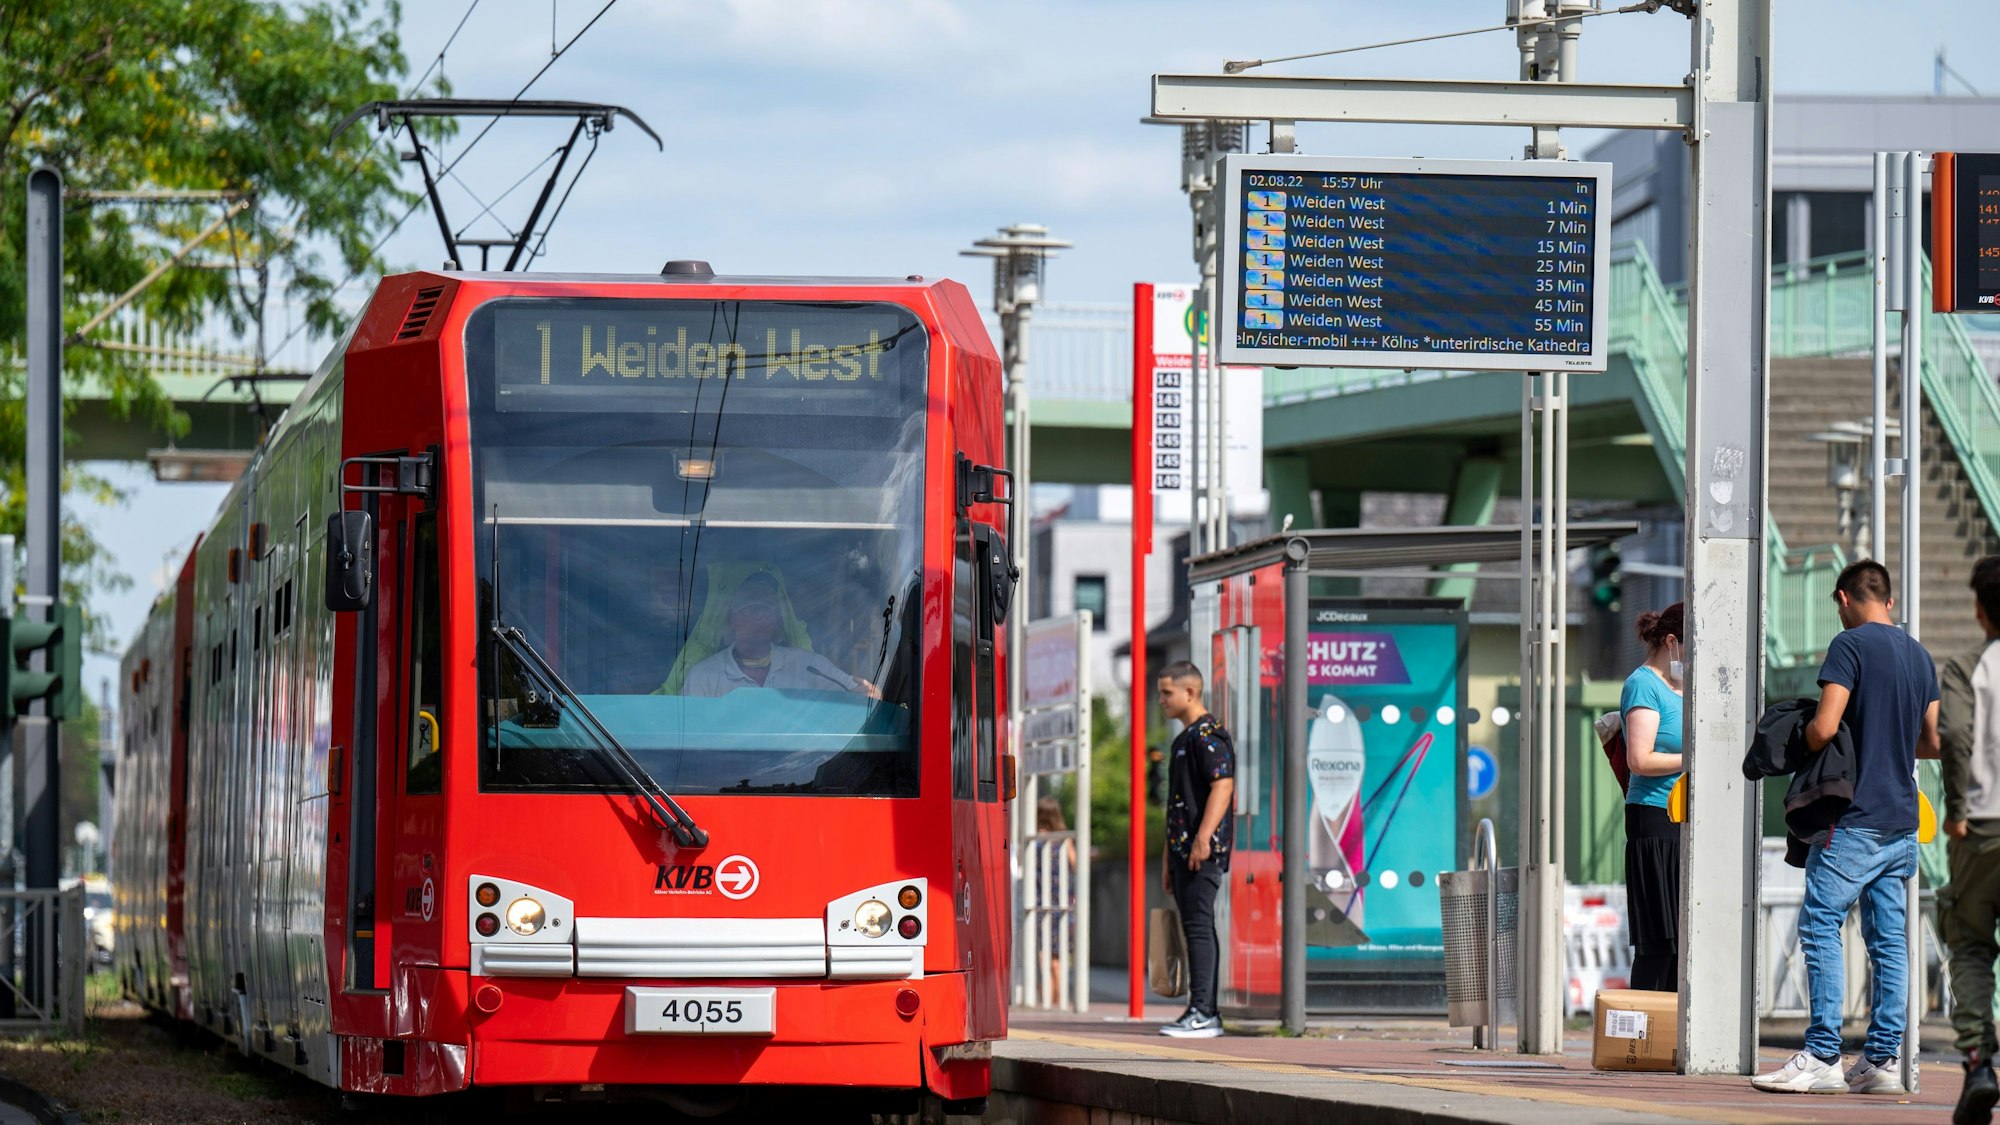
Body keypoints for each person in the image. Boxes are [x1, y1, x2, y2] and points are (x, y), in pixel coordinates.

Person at [1753, 560, 1941, 1096]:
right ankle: (1881, 1060)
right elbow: (1931, 742)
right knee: (1888, 942)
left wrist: (1804, 735)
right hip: (1901, 821)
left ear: (1844, 598)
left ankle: (1821, 1054)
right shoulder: (1918, 654)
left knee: (1818, 927)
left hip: (1852, 820)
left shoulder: (1850, 646)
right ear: (1888, 599)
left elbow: (1824, 727)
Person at [1940, 556, 2000, 1125]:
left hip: (1980, 830)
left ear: (1981, 609)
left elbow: (1954, 734)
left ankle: (1981, 1063)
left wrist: (1955, 809)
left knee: (1972, 945)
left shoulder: (1966, 668)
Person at [1156, 661, 1235, 1039]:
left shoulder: (1207, 735)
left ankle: (1205, 1012)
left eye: (1167, 693)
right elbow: (1175, 804)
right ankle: (1200, 1010)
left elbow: (1223, 785)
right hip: (1184, 852)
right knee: (1195, 927)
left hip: (1201, 851)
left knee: (1200, 927)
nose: (1161, 701)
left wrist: (1203, 838)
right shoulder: (1183, 740)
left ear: (1191, 692)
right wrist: (1167, 859)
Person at [1620, 602, 1685, 993]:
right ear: (1672, 641)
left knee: (1683, 943)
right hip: (1654, 818)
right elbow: (1639, 759)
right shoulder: (1643, 685)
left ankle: (1672, 1042)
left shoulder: (1686, 687)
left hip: (1684, 819)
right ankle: (1641, 1040)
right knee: (1659, 942)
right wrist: (1694, 757)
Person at [683, 573, 879, 698]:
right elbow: (689, 743)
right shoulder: (703, 677)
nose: (757, 617)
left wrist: (870, 696)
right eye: (749, 609)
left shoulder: (810, 667)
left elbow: (862, 696)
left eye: (765, 609)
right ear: (731, 620)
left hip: (809, 764)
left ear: (777, 621)